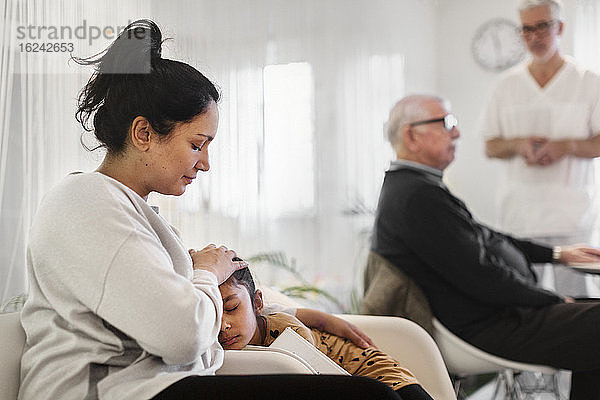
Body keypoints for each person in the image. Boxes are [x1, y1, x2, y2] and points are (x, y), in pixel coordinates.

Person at [18, 20, 402, 400]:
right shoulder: (86, 203)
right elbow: (182, 334)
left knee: (375, 391)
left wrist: (296, 312)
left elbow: (173, 296)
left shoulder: (127, 210)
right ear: (143, 134)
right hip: (116, 392)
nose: (205, 164)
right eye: (197, 144)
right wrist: (205, 271)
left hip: (159, 386)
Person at [372, 94, 600, 399]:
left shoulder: (417, 187)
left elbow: (483, 235)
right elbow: (481, 276)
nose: (457, 132)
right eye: (446, 123)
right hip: (488, 327)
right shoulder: (417, 197)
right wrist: (552, 299)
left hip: (497, 316)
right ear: (412, 135)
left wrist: (556, 254)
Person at [480, 0, 600, 296]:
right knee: (524, 300)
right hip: (520, 217)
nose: (534, 36)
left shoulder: (588, 81)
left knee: (581, 303)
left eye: (542, 26)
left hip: (572, 216)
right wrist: (517, 144)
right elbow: (491, 146)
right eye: (526, 29)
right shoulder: (505, 85)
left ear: (559, 27)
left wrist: (567, 146)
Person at [218, 267, 435, 400]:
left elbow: (315, 373)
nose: (223, 326)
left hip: (361, 362)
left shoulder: (283, 326)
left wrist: (336, 323)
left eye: (231, 308)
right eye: (214, 315)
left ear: (257, 303)